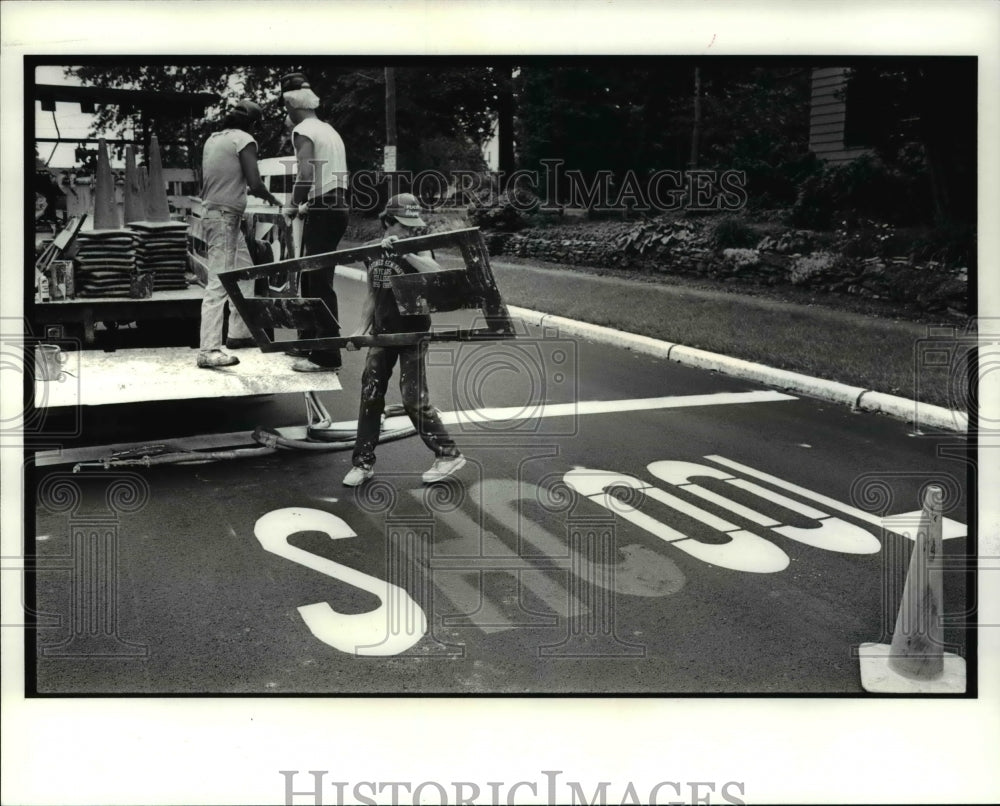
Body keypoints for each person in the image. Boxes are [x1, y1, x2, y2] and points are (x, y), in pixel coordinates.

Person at [343, 194, 466, 487]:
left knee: (413, 398)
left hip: (413, 332)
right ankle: (362, 463)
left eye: (413, 225)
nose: (410, 230)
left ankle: (448, 454)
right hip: (382, 332)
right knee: (371, 393)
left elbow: (439, 274)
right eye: (403, 225)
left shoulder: (419, 246)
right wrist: (360, 329)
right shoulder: (370, 251)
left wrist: (406, 252)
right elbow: (373, 293)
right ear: (387, 221)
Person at [196, 99, 280, 368]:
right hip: (224, 217)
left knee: (245, 271)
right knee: (220, 282)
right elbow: (254, 183)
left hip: (218, 214)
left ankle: (239, 334)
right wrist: (275, 201)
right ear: (252, 124)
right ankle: (208, 350)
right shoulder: (244, 140)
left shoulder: (213, 139)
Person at [280, 72, 350, 373]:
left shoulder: (304, 131)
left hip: (325, 208)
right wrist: (310, 203)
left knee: (319, 282)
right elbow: (329, 178)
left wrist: (292, 204)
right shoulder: (327, 129)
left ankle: (327, 354)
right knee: (310, 279)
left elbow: (306, 175)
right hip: (333, 204)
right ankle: (308, 342)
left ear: (290, 106)